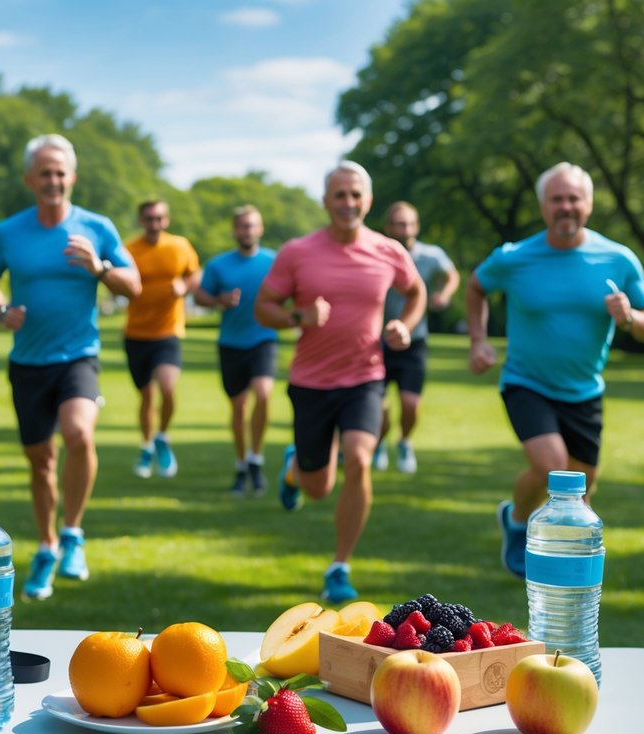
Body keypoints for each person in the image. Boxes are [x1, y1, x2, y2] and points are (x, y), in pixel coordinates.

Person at [466, 161, 644, 579]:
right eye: (557, 199)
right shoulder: (515, 257)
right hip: (526, 382)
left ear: (589, 203)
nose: (566, 207)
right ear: (543, 206)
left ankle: (515, 519)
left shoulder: (617, 258)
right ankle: (531, 535)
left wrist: (629, 318)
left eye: (574, 198)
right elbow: (476, 286)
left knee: (581, 490)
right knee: (556, 471)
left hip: (584, 391)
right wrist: (478, 339)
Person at [0, 134, 141, 601]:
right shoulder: (8, 231)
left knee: (79, 434)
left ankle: (72, 535)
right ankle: (46, 545)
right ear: (31, 179)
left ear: (72, 177)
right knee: (41, 463)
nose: (54, 180)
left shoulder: (96, 227)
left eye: (61, 172)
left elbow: (135, 287)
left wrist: (100, 267)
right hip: (28, 362)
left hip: (78, 356)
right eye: (44, 173)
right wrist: (1, 310)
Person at [255, 161, 424, 603]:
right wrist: (298, 316)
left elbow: (417, 291)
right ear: (326, 201)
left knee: (360, 459)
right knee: (318, 486)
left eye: (356, 195)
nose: (348, 203)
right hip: (311, 381)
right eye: (339, 195)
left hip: (365, 377)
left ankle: (339, 565)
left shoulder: (388, 251)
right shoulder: (297, 252)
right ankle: (296, 470)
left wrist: (404, 325)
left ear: (367, 201)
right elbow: (264, 308)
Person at [194, 205, 278, 497]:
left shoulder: (274, 261)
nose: (247, 231)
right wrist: (219, 300)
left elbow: (291, 291)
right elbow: (200, 296)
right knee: (239, 407)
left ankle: (257, 458)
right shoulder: (218, 265)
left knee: (264, 393)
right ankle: (242, 464)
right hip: (231, 343)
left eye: (252, 225)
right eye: (242, 226)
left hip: (263, 338)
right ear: (235, 230)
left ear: (261, 228)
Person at [373, 201, 459, 474]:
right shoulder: (376, 255)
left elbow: (452, 275)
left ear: (417, 226)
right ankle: (379, 442)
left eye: (410, 223)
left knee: (410, 404)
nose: (406, 229)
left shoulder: (431, 255)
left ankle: (405, 442)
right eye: (399, 224)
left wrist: (443, 295)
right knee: (378, 406)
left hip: (415, 341)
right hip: (377, 342)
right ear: (388, 228)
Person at [122, 199, 200, 478]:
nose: (154, 224)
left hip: (168, 331)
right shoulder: (129, 250)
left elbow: (195, 275)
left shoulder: (180, 246)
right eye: (148, 219)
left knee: (167, 387)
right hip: (136, 333)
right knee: (146, 395)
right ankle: (147, 446)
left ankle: (163, 437)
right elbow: (119, 282)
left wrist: (184, 286)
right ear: (141, 221)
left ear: (166, 220)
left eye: (158, 219)